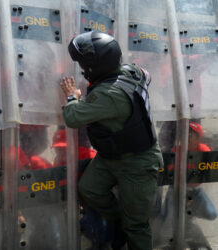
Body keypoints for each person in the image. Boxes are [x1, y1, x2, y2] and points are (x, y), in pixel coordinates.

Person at [59, 31, 164, 250]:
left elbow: (72, 117)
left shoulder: (108, 94)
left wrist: (72, 97)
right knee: (89, 188)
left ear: (93, 66)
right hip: (111, 157)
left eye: (83, 64)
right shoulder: (132, 71)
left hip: (138, 164)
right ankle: (119, 221)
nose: (81, 68)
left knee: (137, 226)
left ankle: (128, 228)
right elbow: (147, 75)